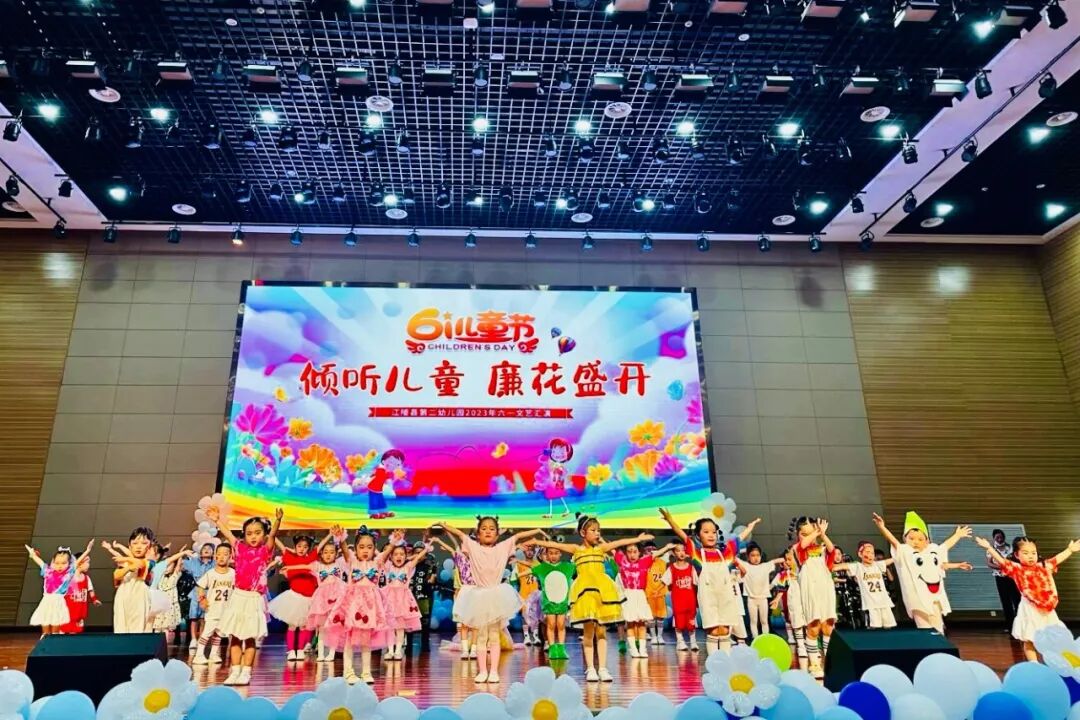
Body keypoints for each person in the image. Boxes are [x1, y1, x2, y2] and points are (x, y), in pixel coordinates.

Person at [533, 514, 653, 682]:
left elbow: (620, 542)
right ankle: (590, 668)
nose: (597, 533)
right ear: (583, 533)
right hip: (585, 595)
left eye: (598, 530)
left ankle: (602, 668)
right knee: (588, 632)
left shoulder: (600, 549)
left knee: (601, 632)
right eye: (593, 530)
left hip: (601, 593)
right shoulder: (577, 549)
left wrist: (638, 539)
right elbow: (554, 544)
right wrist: (536, 541)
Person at [435, 518, 544, 684]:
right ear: (478, 533)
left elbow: (518, 536)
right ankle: (482, 671)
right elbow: (459, 534)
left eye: (492, 529)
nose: (488, 531)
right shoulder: (473, 546)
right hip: (478, 595)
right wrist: (444, 525)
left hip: (495, 595)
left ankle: (493, 671)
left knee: (493, 635)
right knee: (481, 636)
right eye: (484, 528)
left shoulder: (503, 547)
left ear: (497, 534)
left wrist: (537, 531)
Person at [659, 507, 760, 656]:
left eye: (713, 532)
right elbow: (683, 536)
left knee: (725, 630)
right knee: (713, 630)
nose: (711, 535)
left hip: (726, 597)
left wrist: (750, 527)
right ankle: (713, 662)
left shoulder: (726, 553)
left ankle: (725, 661)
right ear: (698, 536)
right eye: (706, 532)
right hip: (708, 598)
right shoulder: (696, 554)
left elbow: (739, 538)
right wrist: (670, 520)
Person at [976, 534, 1080, 660]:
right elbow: (1002, 562)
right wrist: (989, 548)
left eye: (1033, 553)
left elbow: (1057, 559)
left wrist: (1069, 550)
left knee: (1056, 636)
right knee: (1029, 638)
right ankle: (1034, 664)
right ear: (1017, 555)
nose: (1031, 556)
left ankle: (1063, 661)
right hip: (1029, 608)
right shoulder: (1017, 569)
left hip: (1047, 609)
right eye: (1025, 553)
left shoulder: (1044, 566)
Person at [873, 511, 972, 634]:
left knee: (938, 628)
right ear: (905, 539)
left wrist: (957, 537)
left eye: (920, 539)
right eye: (911, 538)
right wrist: (882, 527)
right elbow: (894, 542)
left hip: (934, 597)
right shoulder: (905, 552)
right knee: (924, 628)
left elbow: (945, 548)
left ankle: (939, 642)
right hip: (916, 599)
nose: (916, 542)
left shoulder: (932, 551)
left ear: (927, 541)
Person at [217, 509, 282, 686]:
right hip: (238, 596)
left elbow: (272, 535)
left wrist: (277, 521)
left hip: (254, 598)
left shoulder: (265, 551)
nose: (253, 536)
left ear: (264, 534)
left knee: (250, 637)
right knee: (235, 636)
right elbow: (228, 534)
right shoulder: (239, 548)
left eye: (257, 533)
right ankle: (235, 671)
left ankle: (246, 672)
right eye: (249, 533)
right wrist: (217, 520)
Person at [335, 526, 395, 684]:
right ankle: (348, 672)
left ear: (374, 548)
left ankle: (366, 672)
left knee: (366, 640)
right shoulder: (352, 561)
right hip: (353, 605)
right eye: (361, 547)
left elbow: (387, 552)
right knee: (349, 638)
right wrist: (341, 539)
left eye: (369, 547)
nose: (365, 550)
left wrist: (394, 541)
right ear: (355, 548)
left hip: (370, 607)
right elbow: (344, 550)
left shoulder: (377, 563)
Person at [788, 517, 837, 678]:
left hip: (825, 586)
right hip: (810, 587)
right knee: (814, 625)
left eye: (811, 533)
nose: (808, 537)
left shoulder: (822, 548)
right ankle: (814, 664)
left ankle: (828, 662)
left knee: (828, 625)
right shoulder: (797, 549)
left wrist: (823, 534)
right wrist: (815, 531)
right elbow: (802, 545)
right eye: (804, 534)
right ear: (798, 534)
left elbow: (832, 551)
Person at [614, 541, 677, 658]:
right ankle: (633, 649)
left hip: (640, 595)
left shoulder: (644, 562)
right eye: (629, 552)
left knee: (642, 623)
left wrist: (667, 547)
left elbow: (656, 553)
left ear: (639, 553)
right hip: (628, 595)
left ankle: (642, 649)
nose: (632, 554)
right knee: (631, 624)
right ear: (626, 554)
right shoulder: (623, 562)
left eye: (635, 552)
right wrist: (601, 540)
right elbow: (611, 549)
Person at [270, 534, 325, 661]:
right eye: (299, 546)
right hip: (294, 598)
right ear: (295, 547)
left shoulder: (311, 559)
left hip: (308, 599)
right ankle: (291, 651)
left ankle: (300, 650)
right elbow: (280, 545)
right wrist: (271, 533)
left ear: (308, 548)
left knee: (304, 626)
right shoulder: (290, 558)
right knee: (292, 626)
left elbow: (320, 546)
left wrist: (330, 535)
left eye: (305, 547)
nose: (302, 549)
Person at [26, 540, 93, 636]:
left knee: (55, 631)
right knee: (45, 629)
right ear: (53, 562)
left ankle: (55, 642)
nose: (60, 566)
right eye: (57, 563)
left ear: (69, 563)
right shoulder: (47, 571)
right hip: (46, 601)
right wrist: (32, 554)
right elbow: (39, 561)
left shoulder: (68, 573)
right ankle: (44, 642)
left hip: (58, 602)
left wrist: (87, 550)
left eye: (63, 563)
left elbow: (77, 562)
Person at [381, 535, 431, 663]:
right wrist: (393, 543)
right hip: (389, 600)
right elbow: (380, 557)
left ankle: (398, 650)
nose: (399, 556)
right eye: (396, 554)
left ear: (406, 556)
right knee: (390, 627)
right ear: (391, 556)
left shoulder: (408, 567)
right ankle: (390, 650)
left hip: (403, 601)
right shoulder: (388, 567)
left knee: (400, 627)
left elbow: (418, 557)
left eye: (402, 554)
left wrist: (426, 548)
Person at [304, 526, 349, 663]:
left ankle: (332, 653)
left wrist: (340, 538)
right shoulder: (318, 566)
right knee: (322, 628)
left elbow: (347, 553)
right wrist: (329, 535)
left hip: (337, 599)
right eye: (325, 552)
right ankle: (321, 653)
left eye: (332, 552)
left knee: (334, 627)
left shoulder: (340, 564)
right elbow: (307, 560)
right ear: (321, 554)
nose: (328, 555)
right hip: (322, 601)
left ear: (336, 554)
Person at [191, 543, 235, 666]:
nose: (221, 557)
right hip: (213, 608)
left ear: (230, 556)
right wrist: (202, 599)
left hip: (226, 609)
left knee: (219, 633)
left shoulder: (233, 574)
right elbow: (200, 586)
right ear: (215, 556)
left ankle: (213, 654)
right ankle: (199, 655)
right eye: (219, 554)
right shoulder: (211, 573)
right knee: (207, 632)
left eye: (225, 554)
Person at [530, 545, 576, 660]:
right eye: (550, 553)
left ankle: (561, 649)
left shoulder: (567, 567)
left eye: (556, 553)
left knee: (561, 625)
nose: (553, 556)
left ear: (560, 554)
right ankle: (552, 648)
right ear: (546, 555)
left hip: (562, 601)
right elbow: (531, 568)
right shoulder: (543, 568)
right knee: (551, 624)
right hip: (549, 602)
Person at [106, 528, 155, 633]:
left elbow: (140, 564)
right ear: (130, 545)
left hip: (140, 594)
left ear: (150, 546)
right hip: (123, 595)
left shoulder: (150, 562)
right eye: (135, 543)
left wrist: (126, 559)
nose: (139, 546)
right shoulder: (126, 563)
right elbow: (116, 575)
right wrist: (128, 567)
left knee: (138, 626)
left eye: (144, 543)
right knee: (121, 625)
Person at [844, 542, 896, 629]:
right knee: (874, 626)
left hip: (883, 600)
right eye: (867, 552)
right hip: (871, 602)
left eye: (872, 553)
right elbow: (840, 566)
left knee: (888, 626)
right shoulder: (858, 566)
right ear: (860, 554)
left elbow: (894, 559)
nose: (870, 555)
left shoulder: (878, 565)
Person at [740, 543, 784, 639]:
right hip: (751, 600)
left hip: (763, 599)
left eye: (758, 555)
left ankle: (765, 640)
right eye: (752, 555)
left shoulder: (765, 566)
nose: (756, 558)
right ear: (748, 557)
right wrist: (744, 550)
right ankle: (756, 640)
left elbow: (780, 559)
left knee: (764, 621)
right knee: (753, 622)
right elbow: (733, 557)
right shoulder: (746, 565)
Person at [663, 542, 699, 651]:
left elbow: (697, 584)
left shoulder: (691, 568)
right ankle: (680, 641)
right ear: (674, 553)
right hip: (678, 601)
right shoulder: (671, 569)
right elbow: (664, 582)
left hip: (690, 601)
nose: (681, 553)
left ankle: (693, 641)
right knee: (679, 621)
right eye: (678, 550)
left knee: (691, 621)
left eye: (683, 550)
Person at [987, 529, 1021, 633]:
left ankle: (1020, 625)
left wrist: (1010, 567)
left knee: (1017, 600)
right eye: (997, 537)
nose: (1000, 539)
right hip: (1000, 578)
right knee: (1006, 602)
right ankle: (1010, 627)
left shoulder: (1010, 548)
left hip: (1012, 577)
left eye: (1001, 537)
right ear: (994, 538)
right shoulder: (991, 549)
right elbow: (989, 563)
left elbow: (1016, 561)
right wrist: (1002, 567)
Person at [182, 543, 215, 651]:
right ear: (200, 552)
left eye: (209, 549)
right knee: (194, 617)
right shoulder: (194, 562)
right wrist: (182, 553)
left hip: (209, 592)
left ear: (213, 553)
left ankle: (201, 639)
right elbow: (181, 564)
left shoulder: (215, 563)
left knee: (203, 618)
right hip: (196, 591)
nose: (206, 550)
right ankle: (193, 639)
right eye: (204, 548)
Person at [59, 556, 100, 635]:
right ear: (79, 563)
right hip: (66, 614)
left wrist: (94, 599)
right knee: (61, 634)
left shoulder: (87, 578)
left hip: (79, 614)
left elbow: (90, 590)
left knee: (75, 635)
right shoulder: (69, 577)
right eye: (87, 562)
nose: (88, 565)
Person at [512, 545, 543, 646]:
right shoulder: (518, 565)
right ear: (524, 552)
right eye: (527, 551)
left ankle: (536, 636)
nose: (529, 552)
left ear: (534, 552)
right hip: (524, 593)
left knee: (536, 615)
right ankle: (526, 637)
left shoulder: (538, 564)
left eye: (531, 550)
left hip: (535, 593)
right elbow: (514, 579)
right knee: (524, 615)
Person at [409, 542, 438, 648]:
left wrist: (432, 577)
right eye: (416, 552)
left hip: (425, 597)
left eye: (421, 552)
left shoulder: (429, 566)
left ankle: (425, 646)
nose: (419, 555)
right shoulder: (409, 566)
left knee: (425, 622)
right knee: (410, 623)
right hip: (411, 598)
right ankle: (408, 647)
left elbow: (432, 581)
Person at [644, 541, 670, 645]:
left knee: (660, 616)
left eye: (653, 549)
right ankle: (653, 636)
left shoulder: (663, 562)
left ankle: (660, 636)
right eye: (648, 549)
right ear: (644, 551)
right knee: (651, 617)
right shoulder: (643, 562)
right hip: (648, 593)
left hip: (660, 593)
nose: (651, 551)